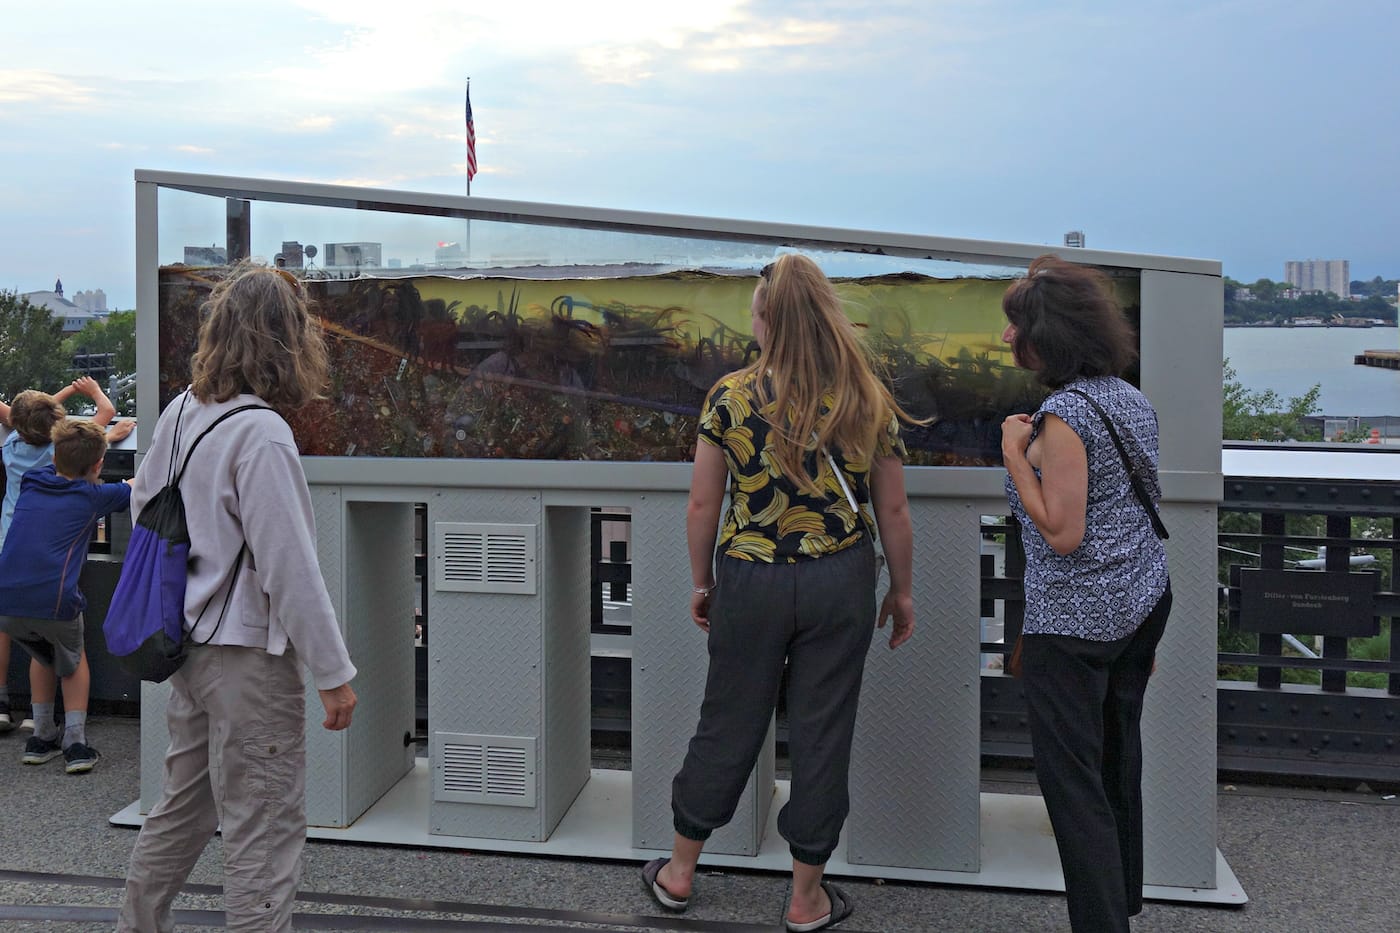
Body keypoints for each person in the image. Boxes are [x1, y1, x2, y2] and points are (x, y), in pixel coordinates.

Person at [642, 254, 918, 932]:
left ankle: (678, 873)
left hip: (751, 577)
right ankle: (805, 898)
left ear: (768, 321)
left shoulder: (730, 396)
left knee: (728, 720)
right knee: (822, 734)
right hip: (839, 578)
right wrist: (902, 591)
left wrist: (703, 580)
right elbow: (895, 512)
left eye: (756, 313)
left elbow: (702, 506)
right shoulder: (863, 395)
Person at [118, 263, 358, 933]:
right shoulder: (263, 434)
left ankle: (135, 925)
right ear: (288, 342)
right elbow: (291, 567)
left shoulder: (182, 412)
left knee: (181, 809)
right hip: (249, 658)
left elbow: (141, 504)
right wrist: (334, 674)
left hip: (188, 649)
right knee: (264, 829)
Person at [999, 254, 1171, 933]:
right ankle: (1122, 896)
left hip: (1076, 622)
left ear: (1050, 337)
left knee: (1074, 786)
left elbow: (1064, 532)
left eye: (1017, 327)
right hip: (1140, 601)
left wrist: (1015, 450)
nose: (1008, 339)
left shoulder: (1064, 415)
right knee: (1116, 756)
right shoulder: (1128, 395)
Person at [0, 377, 132, 734]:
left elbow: (28, 420)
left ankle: (24, 718)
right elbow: (102, 423)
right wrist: (95, 407)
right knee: (71, 656)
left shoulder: (23, 464)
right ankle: (75, 737)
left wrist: (65, 396)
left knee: (36, 647)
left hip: (8, 575)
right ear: (97, 463)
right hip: (55, 581)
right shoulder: (85, 489)